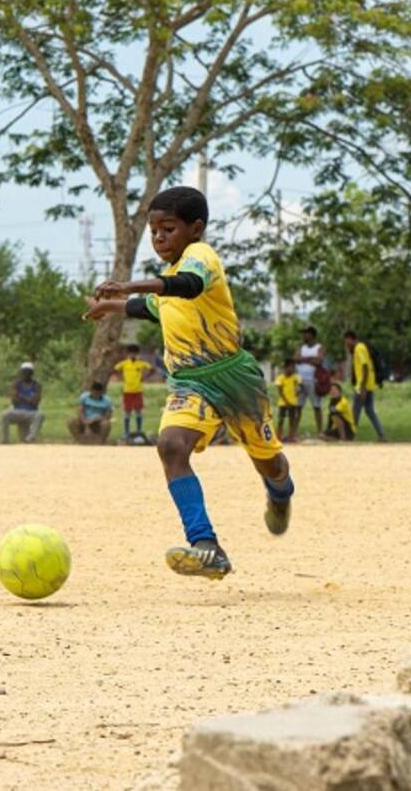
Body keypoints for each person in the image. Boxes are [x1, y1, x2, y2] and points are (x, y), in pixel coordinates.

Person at [83, 185, 296, 580]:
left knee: (267, 460)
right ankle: (206, 545)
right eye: (154, 231)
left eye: (168, 229)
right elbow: (155, 306)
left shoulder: (200, 259)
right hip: (189, 383)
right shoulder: (169, 276)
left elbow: (187, 286)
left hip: (234, 379)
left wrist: (127, 284)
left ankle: (280, 491)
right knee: (170, 446)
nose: (159, 238)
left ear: (195, 229)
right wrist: (112, 305)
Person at [343, 330, 386, 442]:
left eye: (346, 341)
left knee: (355, 411)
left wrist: (362, 387)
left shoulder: (359, 348)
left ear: (351, 339)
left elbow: (365, 367)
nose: (346, 344)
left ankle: (350, 435)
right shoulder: (359, 348)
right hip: (369, 384)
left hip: (363, 385)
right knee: (370, 411)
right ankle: (381, 435)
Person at [112, 344, 152, 439]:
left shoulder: (140, 363)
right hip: (127, 391)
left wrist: (144, 377)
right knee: (127, 412)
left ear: (137, 354)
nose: (132, 355)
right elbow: (115, 369)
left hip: (138, 390)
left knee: (138, 411)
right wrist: (121, 377)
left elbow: (152, 369)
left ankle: (139, 430)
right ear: (128, 354)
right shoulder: (124, 364)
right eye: (130, 353)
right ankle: (126, 432)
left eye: (134, 353)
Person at [1, 362, 45, 443]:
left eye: (28, 372)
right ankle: (5, 439)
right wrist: (28, 399)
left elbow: (35, 403)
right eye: (24, 371)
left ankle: (30, 438)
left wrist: (20, 396)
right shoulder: (16, 383)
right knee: (5, 414)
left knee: (40, 415)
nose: (25, 374)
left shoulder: (36, 385)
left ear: (32, 373)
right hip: (17, 410)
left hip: (31, 412)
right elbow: (14, 400)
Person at [296, 326, 326, 435]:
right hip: (300, 380)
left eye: (306, 333)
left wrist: (303, 359)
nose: (304, 336)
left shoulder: (319, 347)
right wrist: (310, 359)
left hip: (313, 380)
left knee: (316, 406)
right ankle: (293, 431)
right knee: (298, 407)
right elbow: (296, 359)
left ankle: (320, 431)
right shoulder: (301, 347)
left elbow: (319, 361)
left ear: (312, 335)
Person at [273, 358, 302, 442]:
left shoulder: (295, 377)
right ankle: (279, 436)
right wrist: (286, 402)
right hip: (283, 403)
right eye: (291, 367)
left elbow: (300, 386)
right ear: (285, 367)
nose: (292, 369)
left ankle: (291, 436)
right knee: (281, 420)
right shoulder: (280, 378)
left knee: (292, 420)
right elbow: (280, 391)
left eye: (293, 367)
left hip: (293, 402)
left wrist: (298, 391)